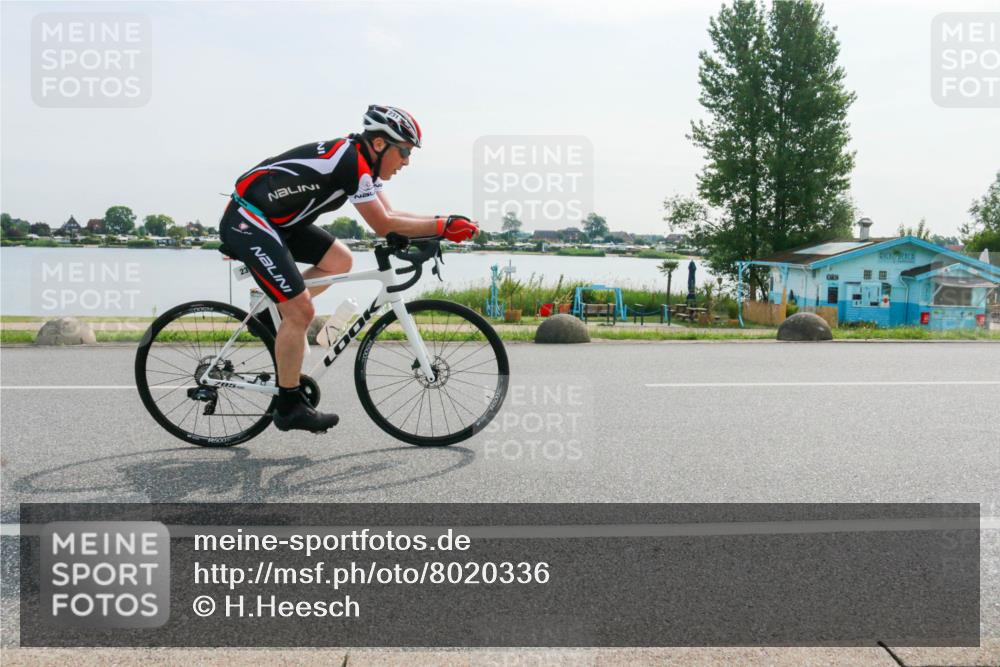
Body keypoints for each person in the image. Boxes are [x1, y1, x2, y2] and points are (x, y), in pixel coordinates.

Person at [218, 105, 479, 433]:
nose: (407, 162)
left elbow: (392, 214)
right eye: (404, 152)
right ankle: (289, 406)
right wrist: (442, 226)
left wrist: (440, 224)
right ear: (381, 144)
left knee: (340, 261)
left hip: (275, 221)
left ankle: (277, 307)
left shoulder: (361, 162)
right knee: (301, 310)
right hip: (248, 219)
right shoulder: (350, 162)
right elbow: (383, 225)